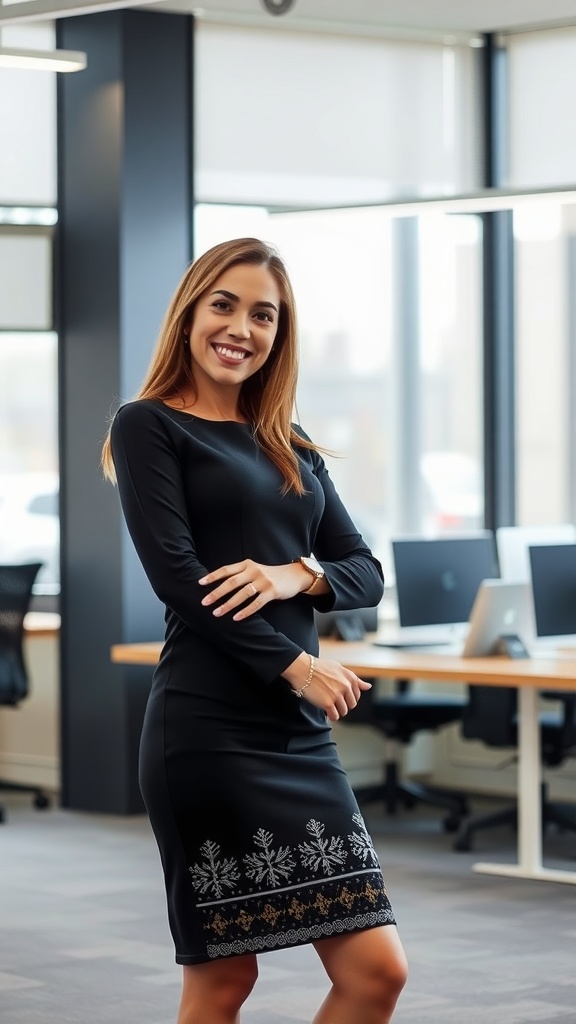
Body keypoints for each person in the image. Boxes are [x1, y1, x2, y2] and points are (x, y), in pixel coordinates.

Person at [101, 237, 407, 1024]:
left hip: (297, 737)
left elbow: (364, 571)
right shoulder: (150, 426)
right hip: (206, 729)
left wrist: (293, 574)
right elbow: (178, 578)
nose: (242, 327)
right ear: (191, 314)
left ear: (281, 333)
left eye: (263, 314)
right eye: (225, 305)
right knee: (225, 980)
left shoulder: (288, 439)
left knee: (377, 973)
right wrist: (298, 667)